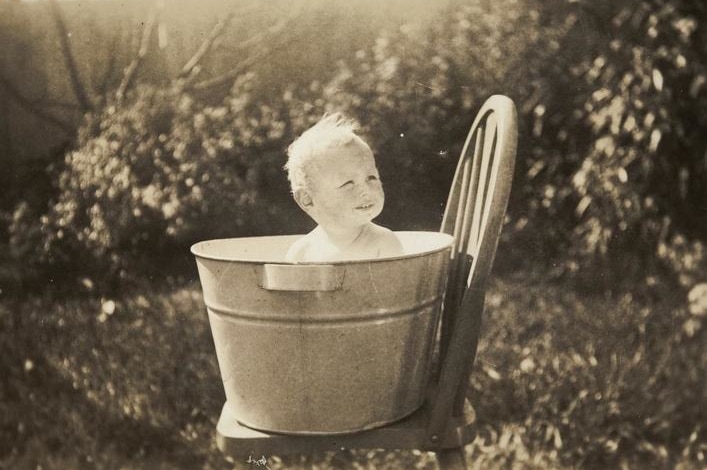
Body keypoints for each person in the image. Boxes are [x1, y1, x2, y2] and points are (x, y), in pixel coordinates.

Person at [284, 113, 404, 262]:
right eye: (348, 184)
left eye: (371, 178)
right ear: (307, 200)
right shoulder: (302, 252)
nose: (365, 190)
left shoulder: (383, 243)